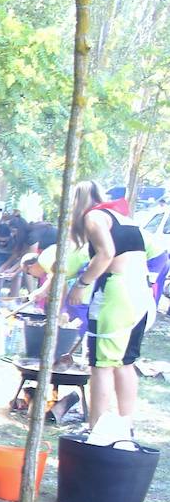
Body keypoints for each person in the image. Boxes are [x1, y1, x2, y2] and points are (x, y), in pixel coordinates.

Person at [65, 181, 150, 429]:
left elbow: (106, 253)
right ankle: (126, 425)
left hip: (116, 294)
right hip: (140, 292)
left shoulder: (93, 217)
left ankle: (96, 428)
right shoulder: (122, 217)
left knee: (101, 365)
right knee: (125, 362)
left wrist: (81, 284)